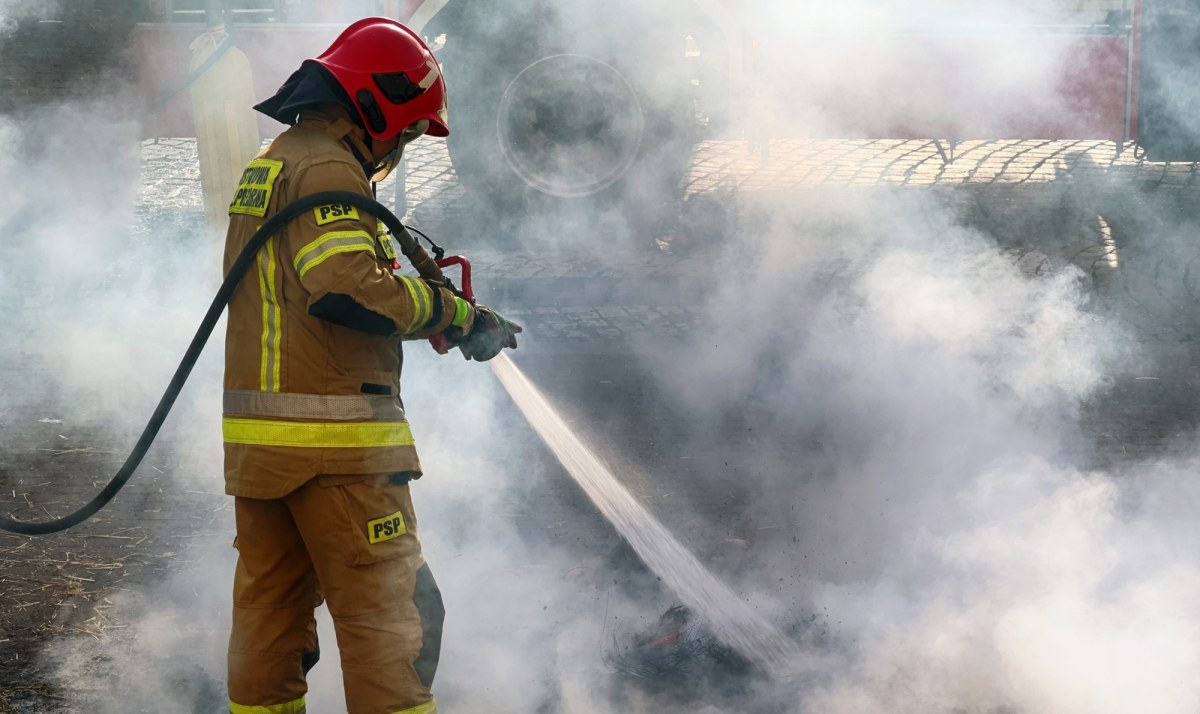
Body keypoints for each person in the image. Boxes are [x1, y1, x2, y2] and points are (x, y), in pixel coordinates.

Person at [220, 17, 521, 714]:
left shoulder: (275, 162)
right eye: (407, 130)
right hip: (338, 452)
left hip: (264, 454)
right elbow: (344, 285)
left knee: (271, 631)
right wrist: (455, 315)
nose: (403, 146)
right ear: (375, 104)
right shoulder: (327, 166)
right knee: (396, 625)